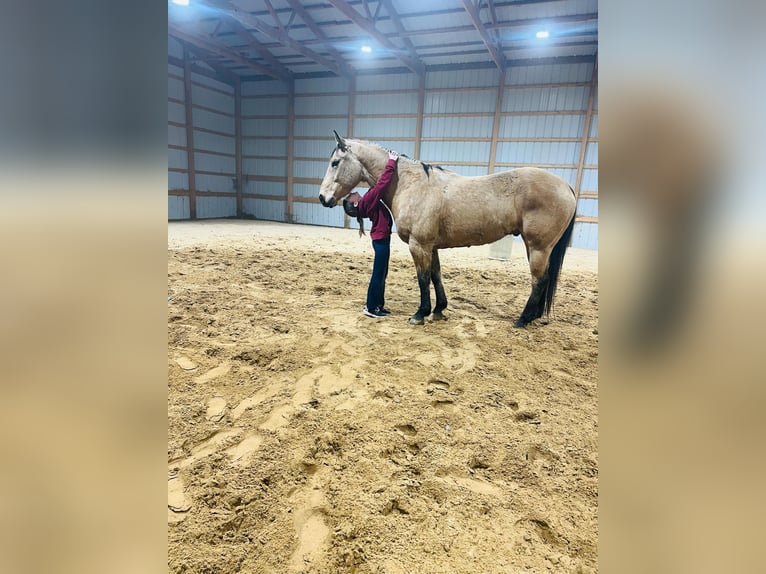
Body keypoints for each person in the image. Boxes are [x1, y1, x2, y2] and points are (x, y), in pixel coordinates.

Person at [343, 149, 400, 318]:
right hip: (381, 240)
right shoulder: (366, 201)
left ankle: (378, 305)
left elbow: (377, 185)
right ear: (354, 204)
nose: (351, 193)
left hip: (382, 239)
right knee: (378, 274)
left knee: (382, 274)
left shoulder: (365, 202)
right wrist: (391, 161)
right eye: (350, 196)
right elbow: (381, 185)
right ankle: (371, 307)